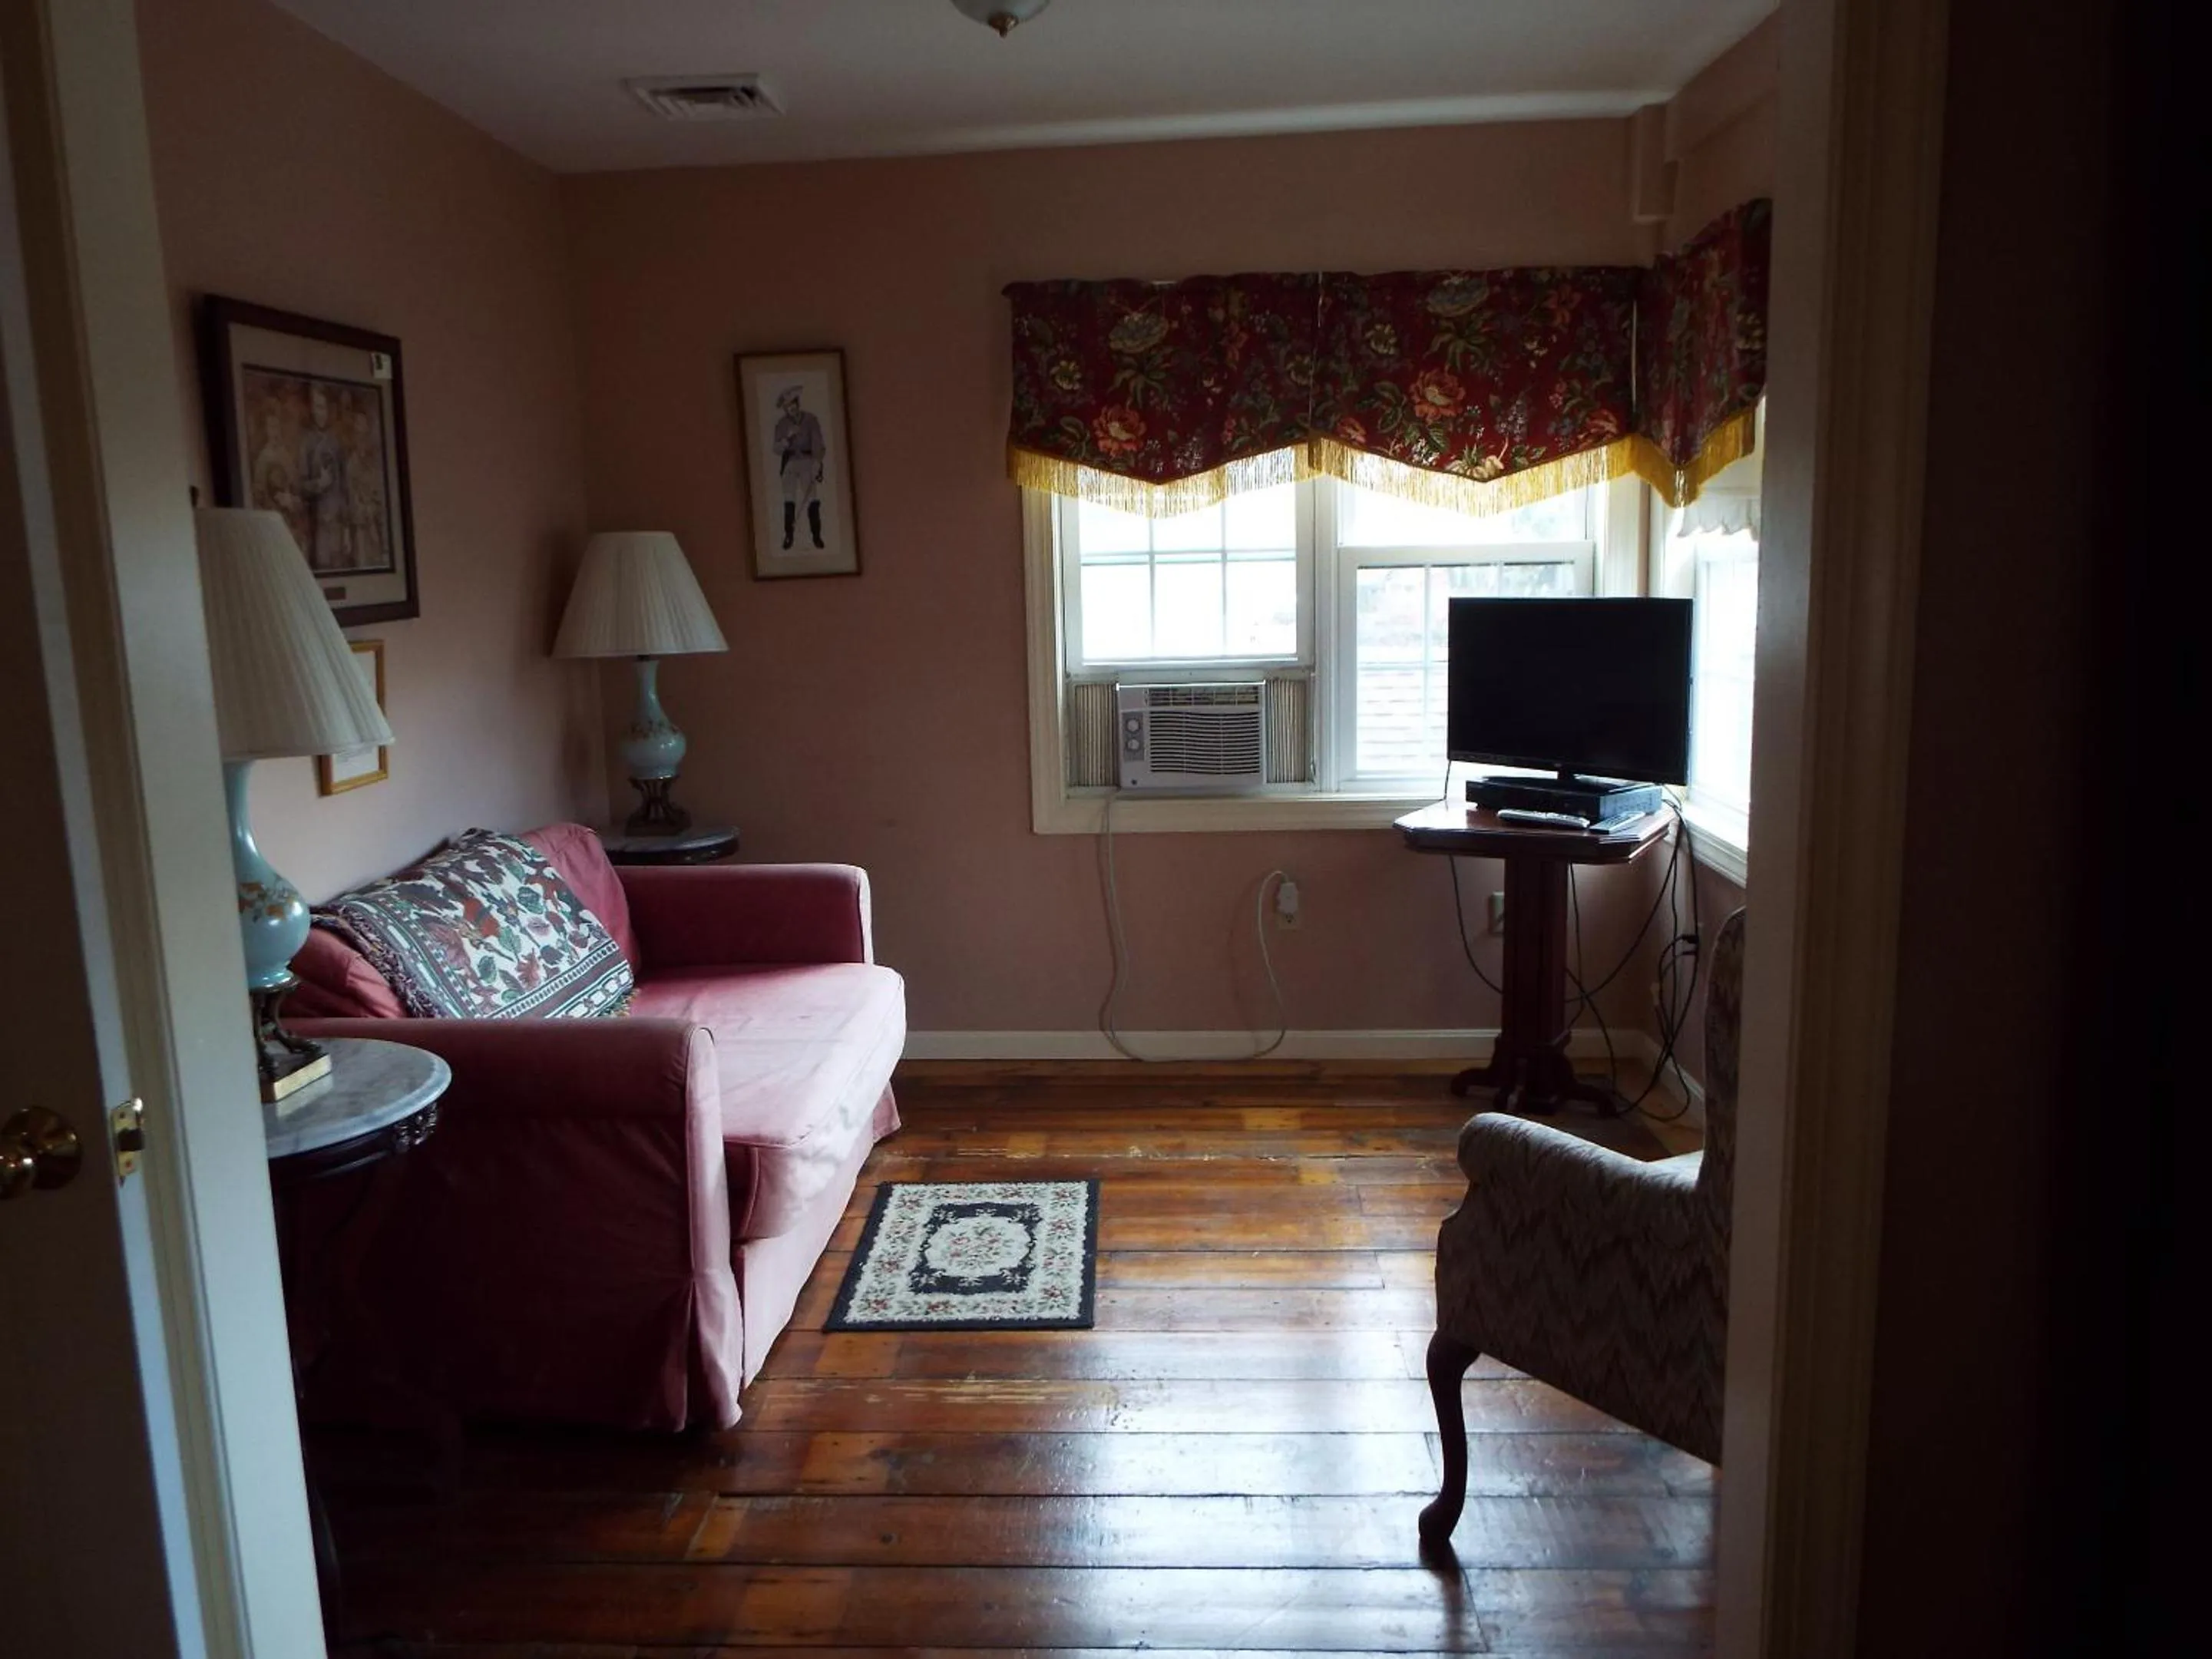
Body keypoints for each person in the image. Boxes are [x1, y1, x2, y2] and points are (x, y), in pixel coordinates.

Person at [294, 382, 352, 571]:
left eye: (323, 407)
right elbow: (300, 486)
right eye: (317, 407)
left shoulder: (336, 443)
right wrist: (320, 483)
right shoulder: (306, 443)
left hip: (337, 522)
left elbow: (344, 488)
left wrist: (346, 529)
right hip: (318, 526)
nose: (320, 412)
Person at [772, 385, 826, 550]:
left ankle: (816, 536)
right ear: (785, 410)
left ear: (798, 403)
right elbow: (776, 449)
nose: (791, 409)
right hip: (790, 463)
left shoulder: (811, 419)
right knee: (789, 499)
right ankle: (789, 535)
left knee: (812, 500)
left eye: (793, 405)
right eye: (788, 407)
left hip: (808, 462)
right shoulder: (782, 425)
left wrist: (817, 462)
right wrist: (787, 439)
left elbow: (818, 444)